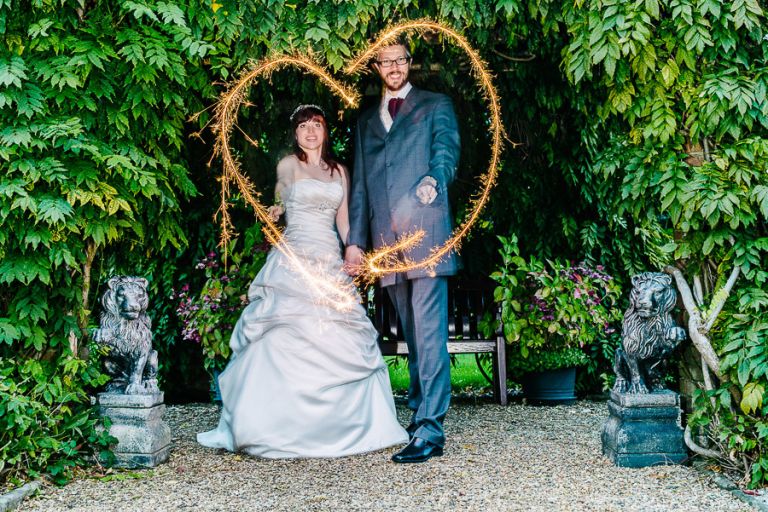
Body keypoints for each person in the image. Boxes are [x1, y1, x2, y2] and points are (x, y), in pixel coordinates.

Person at [197, 105, 408, 458]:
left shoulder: (339, 170)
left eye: (317, 125)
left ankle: (342, 425)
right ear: (295, 134)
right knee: (283, 331)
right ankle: (274, 423)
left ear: (325, 131)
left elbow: (343, 220)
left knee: (338, 333)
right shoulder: (288, 166)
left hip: (328, 256)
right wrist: (275, 210)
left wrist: (353, 250)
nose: (311, 131)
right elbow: (280, 200)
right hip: (294, 257)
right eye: (304, 126)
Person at [344, 41, 461, 463]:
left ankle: (430, 430)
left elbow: (446, 152)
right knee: (413, 334)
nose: (393, 67)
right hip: (387, 246)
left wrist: (434, 178)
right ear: (376, 67)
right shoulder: (364, 122)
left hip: (426, 237)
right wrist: (356, 241)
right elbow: (359, 187)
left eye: (400, 60)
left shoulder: (435, 105)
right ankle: (420, 415)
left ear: (409, 64)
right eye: (385, 61)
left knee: (428, 334)